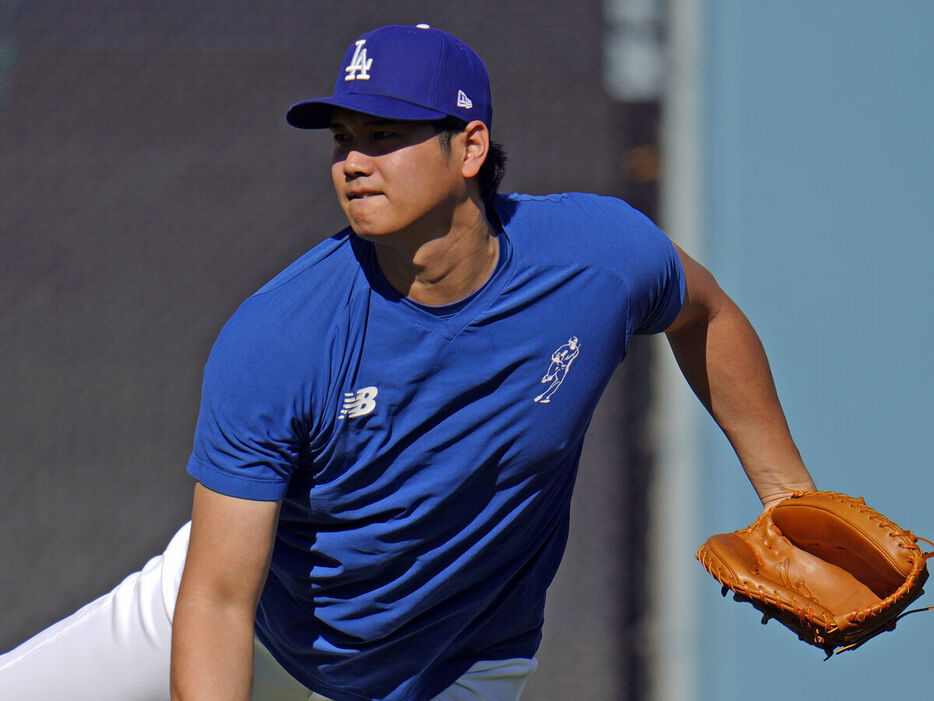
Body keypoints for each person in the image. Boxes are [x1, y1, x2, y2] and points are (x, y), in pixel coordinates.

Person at [0, 23, 815, 701]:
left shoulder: (596, 258)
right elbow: (214, 600)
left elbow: (706, 314)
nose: (354, 161)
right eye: (344, 139)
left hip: (455, 668)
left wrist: (791, 501)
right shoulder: (282, 336)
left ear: (469, 147)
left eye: (384, 136)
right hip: (263, 629)